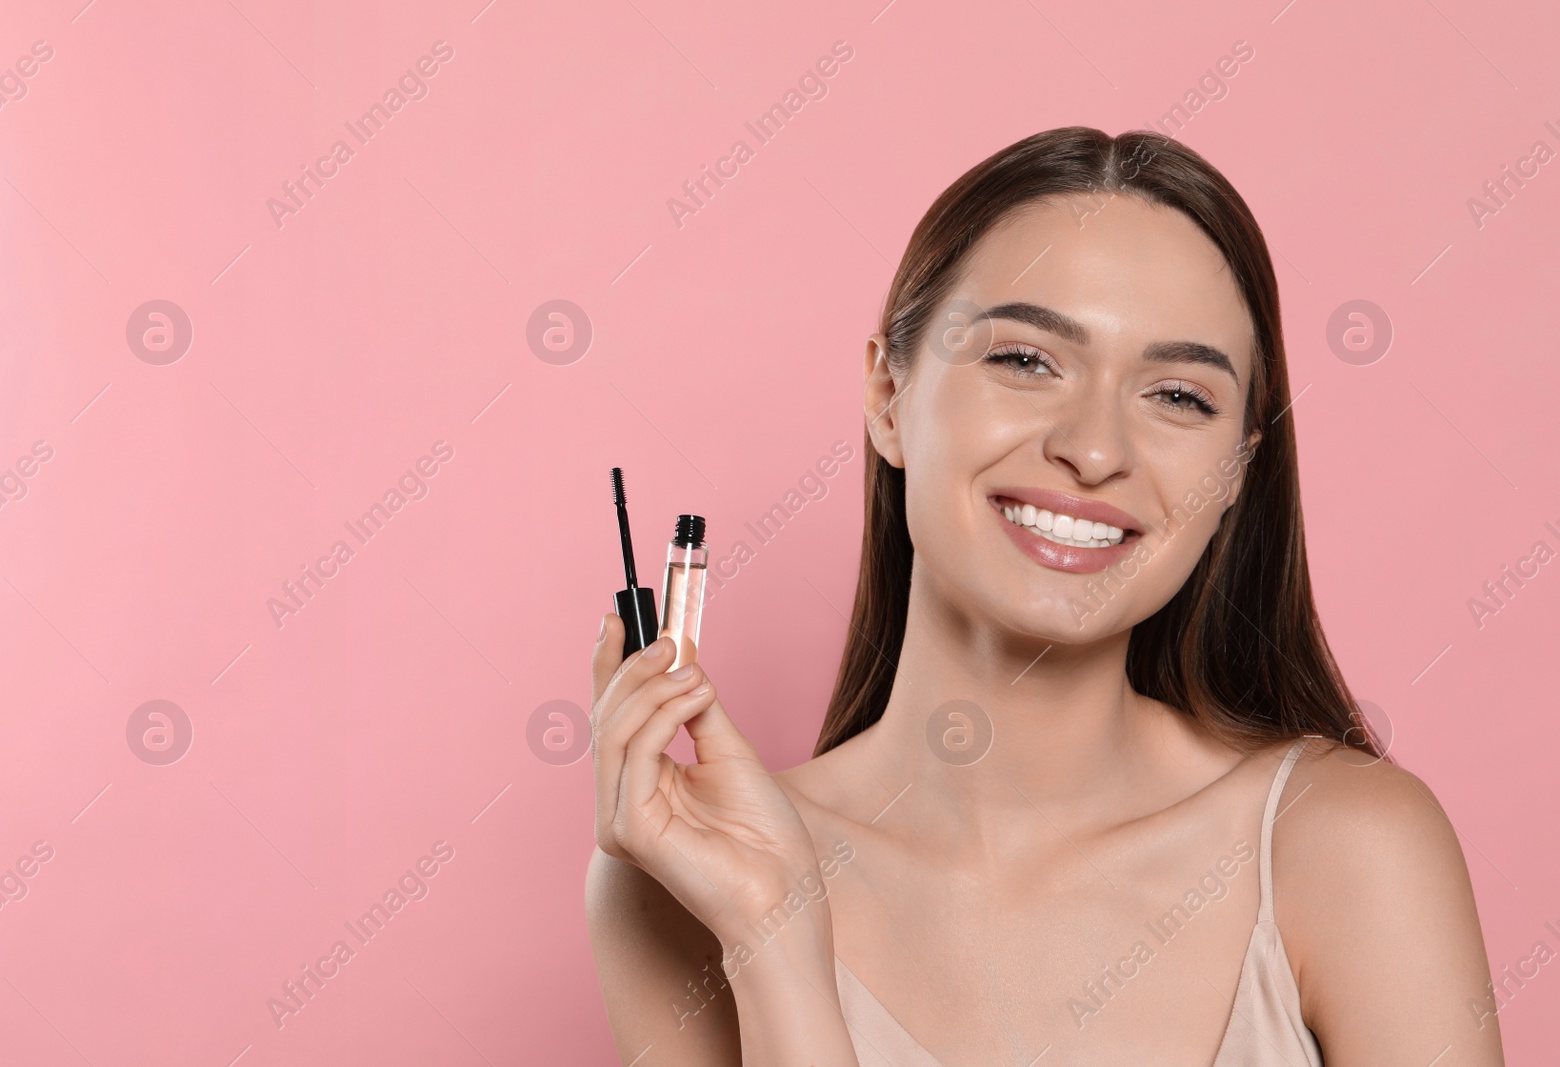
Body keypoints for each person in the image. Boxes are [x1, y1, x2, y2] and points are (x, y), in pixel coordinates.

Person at [585, 127, 1505, 1066]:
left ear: (1235, 471)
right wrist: (772, 934)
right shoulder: (683, 876)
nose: (1095, 449)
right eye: (1026, 361)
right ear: (888, 395)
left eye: (1180, 396)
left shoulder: (1351, 850)